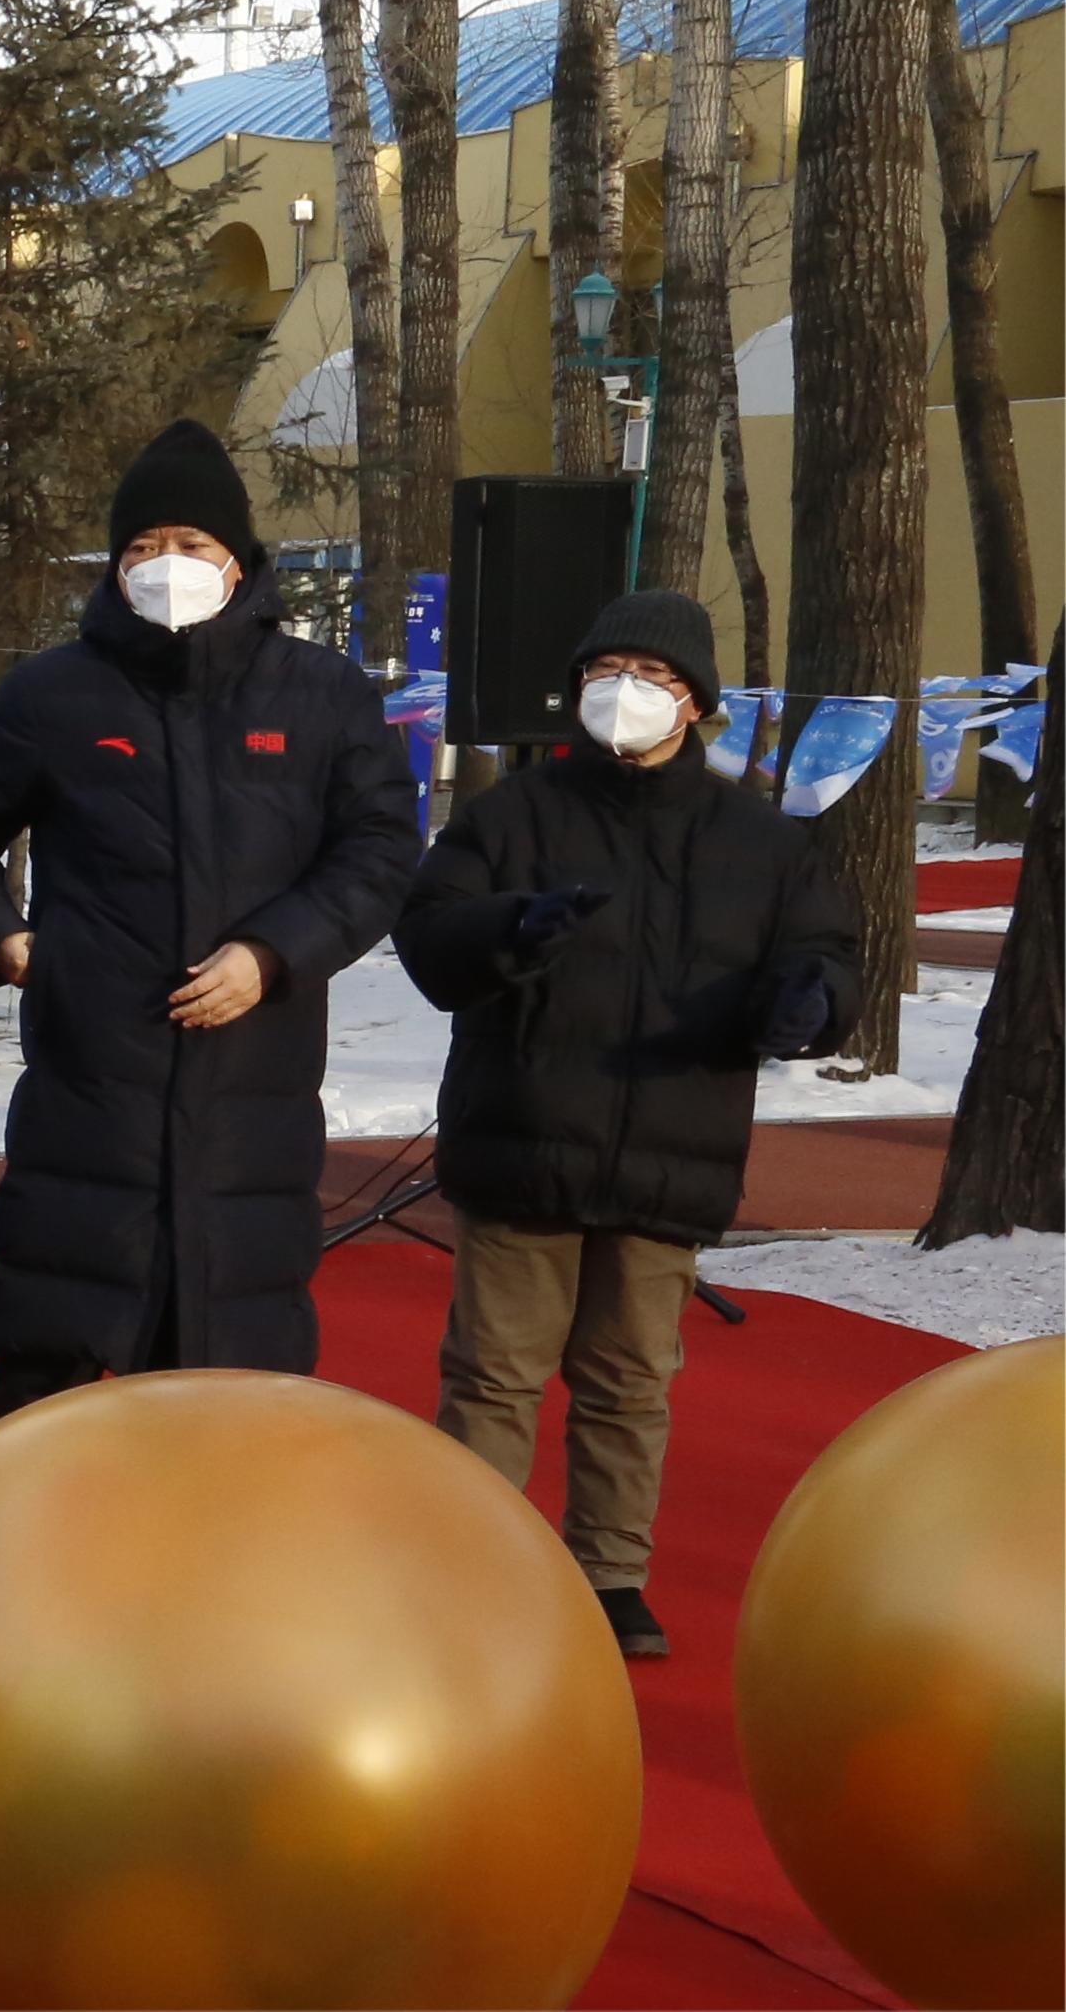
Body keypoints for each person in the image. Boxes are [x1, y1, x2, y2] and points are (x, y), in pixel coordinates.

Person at [0, 420, 421, 1423]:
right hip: (90, 1091)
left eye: (191, 543)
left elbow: (378, 847)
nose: (166, 564)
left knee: (226, 1407)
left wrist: (273, 953)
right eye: (142, 546)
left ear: (239, 559)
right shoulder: (56, 691)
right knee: (44, 1392)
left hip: (251, 1097)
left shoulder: (321, 693)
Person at [394, 591, 858, 1660]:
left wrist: (810, 1001)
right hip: (523, 1135)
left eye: (651, 676)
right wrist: (511, 926)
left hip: (671, 1149)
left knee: (629, 1380)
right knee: (493, 1374)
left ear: (694, 703)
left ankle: (609, 1574)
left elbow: (826, 955)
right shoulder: (511, 815)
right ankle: (470, 1567)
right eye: (605, 671)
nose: (625, 691)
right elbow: (428, 937)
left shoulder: (761, 840)